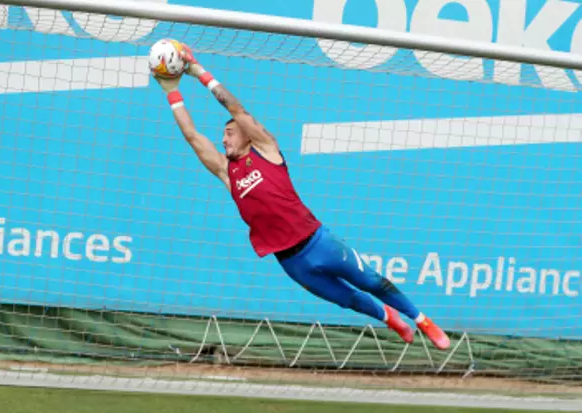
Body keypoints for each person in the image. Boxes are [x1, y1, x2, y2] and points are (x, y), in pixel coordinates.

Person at [151, 43, 450, 350]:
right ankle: (387, 317)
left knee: (373, 281)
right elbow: (192, 136)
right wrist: (172, 90)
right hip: (292, 262)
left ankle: (422, 319)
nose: (223, 138)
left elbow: (236, 110)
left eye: (229, 132)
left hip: (319, 242)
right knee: (347, 300)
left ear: (245, 134)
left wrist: (199, 72)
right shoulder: (228, 173)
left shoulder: (266, 150)